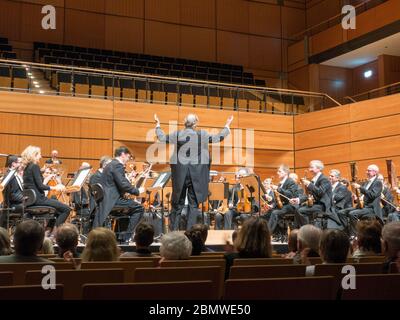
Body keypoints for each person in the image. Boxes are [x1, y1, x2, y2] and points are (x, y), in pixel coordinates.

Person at [154, 113, 233, 231]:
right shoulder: (202, 134)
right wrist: (227, 126)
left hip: (180, 175)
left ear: (184, 122)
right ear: (196, 123)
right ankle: (190, 233)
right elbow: (218, 138)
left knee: (177, 204)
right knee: (193, 205)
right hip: (196, 175)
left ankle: (173, 232)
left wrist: (158, 126)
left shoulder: (178, 134)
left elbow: (162, 138)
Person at [93, 147, 144, 243]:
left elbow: (117, 182)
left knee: (128, 209)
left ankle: (120, 237)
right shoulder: (117, 165)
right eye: (128, 157)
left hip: (107, 200)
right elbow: (123, 184)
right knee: (139, 208)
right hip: (112, 200)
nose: (128, 159)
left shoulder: (110, 165)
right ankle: (124, 238)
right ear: (123, 154)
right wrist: (137, 191)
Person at [21, 146, 71, 233]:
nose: (41, 156)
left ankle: (48, 231)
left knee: (57, 206)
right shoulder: (34, 166)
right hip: (38, 199)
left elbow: (35, 184)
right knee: (66, 209)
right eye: (39, 154)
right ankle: (54, 234)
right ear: (34, 155)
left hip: (31, 199)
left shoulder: (27, 168)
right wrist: (55, 187)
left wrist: (46, 176)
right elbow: (41, 186)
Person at [292, 160, 332, 228]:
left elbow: (320, 192)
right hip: (315, 204)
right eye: (309, 168)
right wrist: (298, 199)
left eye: (312, 167)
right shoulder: (314, 179)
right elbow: (309, 195)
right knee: (297, 209)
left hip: (323, 205)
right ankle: (297, 232)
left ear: (319, 168)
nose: (310, 169)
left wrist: (309, 184)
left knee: (301, 211)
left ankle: (307, 231)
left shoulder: (324, 179)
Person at [347, 164, 383, 235]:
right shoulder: (366, 182)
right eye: (367, 170)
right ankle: (346, 232)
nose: (366, 172)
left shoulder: (378, 182)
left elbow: (372, 195)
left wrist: (360, 187)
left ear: (375, 172)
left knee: (352, 214)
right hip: (363, 206)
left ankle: (354, 235)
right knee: (342, 212)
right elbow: (363, 197)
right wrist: (356, 199)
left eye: (368, 171)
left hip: (371, 208)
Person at [266, 165, 298, 240]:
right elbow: (278, 198)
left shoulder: (291, 182)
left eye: (280, 171)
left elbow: (289, 195)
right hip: (283, 205)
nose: (278, 173)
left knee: (275, 213)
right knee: (269, 211)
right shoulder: (280, 183)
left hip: (291, 205)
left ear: (286, 172)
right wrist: (272, 205)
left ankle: (266, 235)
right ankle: (278, 234)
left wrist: (278, 188)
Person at [1, 155, 24, 228]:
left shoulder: (15, 175)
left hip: (18, 202)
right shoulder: (9, 176)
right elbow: (12, 195)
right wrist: (24, 198)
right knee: (29, 207)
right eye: (19, 162)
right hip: (13, 205)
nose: (21, 164)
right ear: (13, 164)